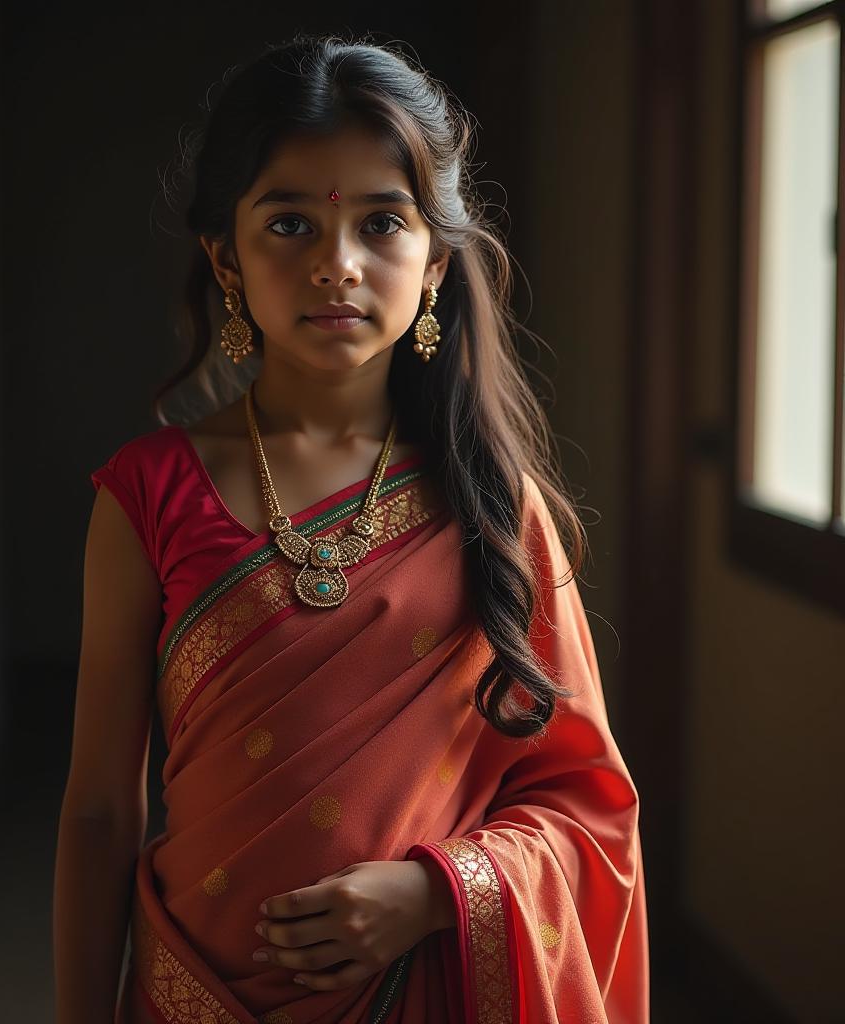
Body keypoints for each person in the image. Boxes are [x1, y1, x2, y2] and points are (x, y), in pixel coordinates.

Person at [53, 32, 649, 1024]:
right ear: (224, 256)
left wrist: (435, 893)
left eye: (381, 223)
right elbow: (100, 809)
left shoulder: (493, 504)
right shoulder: (145, 494)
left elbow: (585, 801)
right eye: (289, 224)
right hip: (194, 991)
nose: (337, 264)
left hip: (424, 987)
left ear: (435, 261)